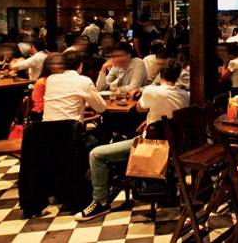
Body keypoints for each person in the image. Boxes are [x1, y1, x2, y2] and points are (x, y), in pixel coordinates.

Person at [75, 59, 189, 221]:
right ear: (178, 76)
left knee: (96, 154)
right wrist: (151, 120)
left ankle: (100, 202)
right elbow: (168, 115)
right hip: (173, 146)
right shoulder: (185, 95)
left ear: (160, 74)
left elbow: (139, 108)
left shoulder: (151, 91)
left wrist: (150, 116)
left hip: (150, 146)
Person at [42, 51, 106, 122]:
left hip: (45, 127)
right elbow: (101, 108)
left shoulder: (51, 79)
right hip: (70, 127)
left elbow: (63, 102)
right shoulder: (84, 81)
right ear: (80, 65)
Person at [30, 53, 64, 120]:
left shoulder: (65, 80)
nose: (58, 66)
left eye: (60, 63)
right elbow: (38, 103)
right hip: (42, 114)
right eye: (54, 63)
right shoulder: (42, 81)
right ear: (47, 66)